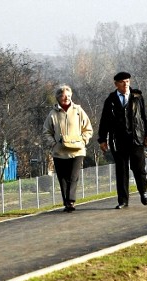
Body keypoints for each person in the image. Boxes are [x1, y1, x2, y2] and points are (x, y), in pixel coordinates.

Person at [98, 72, 147, 209]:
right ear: (116, 84)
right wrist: (102, 139)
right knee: (121, 171)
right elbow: (104, 121)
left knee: (139, 168)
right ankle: (123, 200)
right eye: (123, 82)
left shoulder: (137, 97)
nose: (126, 84)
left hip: (136, 138)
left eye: (127, 81)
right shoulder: (110, 100)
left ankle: (143, 192)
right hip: (118, 141)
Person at [43, 84, 93, 212]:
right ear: (58, 97)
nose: (67, 98)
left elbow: (88, 129)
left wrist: (83, 140)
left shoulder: (78, 111)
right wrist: (53, 143)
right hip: (59, 152)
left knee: (73, 176)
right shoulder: (53, 114)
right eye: (64, 96)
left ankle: (71, 200)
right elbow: (46, 132)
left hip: (77, 150)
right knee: (63, 178)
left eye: (69, 96)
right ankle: (67, 202)